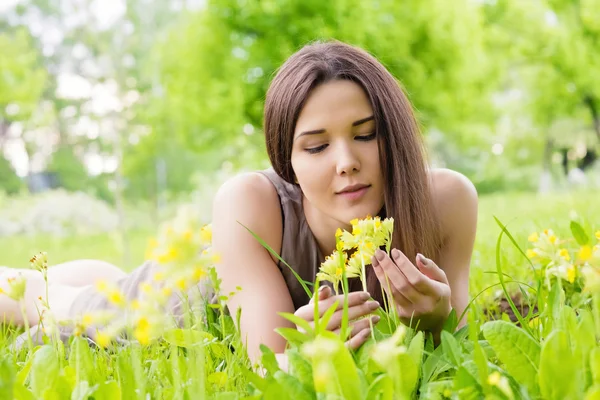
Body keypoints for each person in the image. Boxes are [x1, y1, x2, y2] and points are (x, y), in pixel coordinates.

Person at [2, 41, 477, 365]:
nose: (346, 162)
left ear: (393, 133)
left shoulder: (446, 201)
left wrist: (435, 322)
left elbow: (455, 339)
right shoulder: (250, 201)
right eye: (316, 147)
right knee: (60, 310)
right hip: (177, 300)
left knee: (98, 286)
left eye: (366, 134)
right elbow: (270, 367)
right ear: (286, 160)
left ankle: (97, 277)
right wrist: (303, 348)